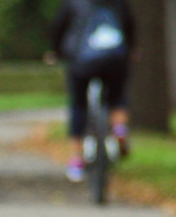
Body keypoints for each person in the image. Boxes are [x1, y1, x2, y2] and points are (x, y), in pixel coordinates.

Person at [49, 0, 136, 183]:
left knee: (79, 105)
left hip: (81, 62)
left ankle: (76, 158)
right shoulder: (118, 3)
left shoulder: (73, 2)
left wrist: (55, 51)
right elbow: (130, 26)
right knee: (117, 97)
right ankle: (120, 130)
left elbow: (58, 27)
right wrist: (132, 50)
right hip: (115, 60)